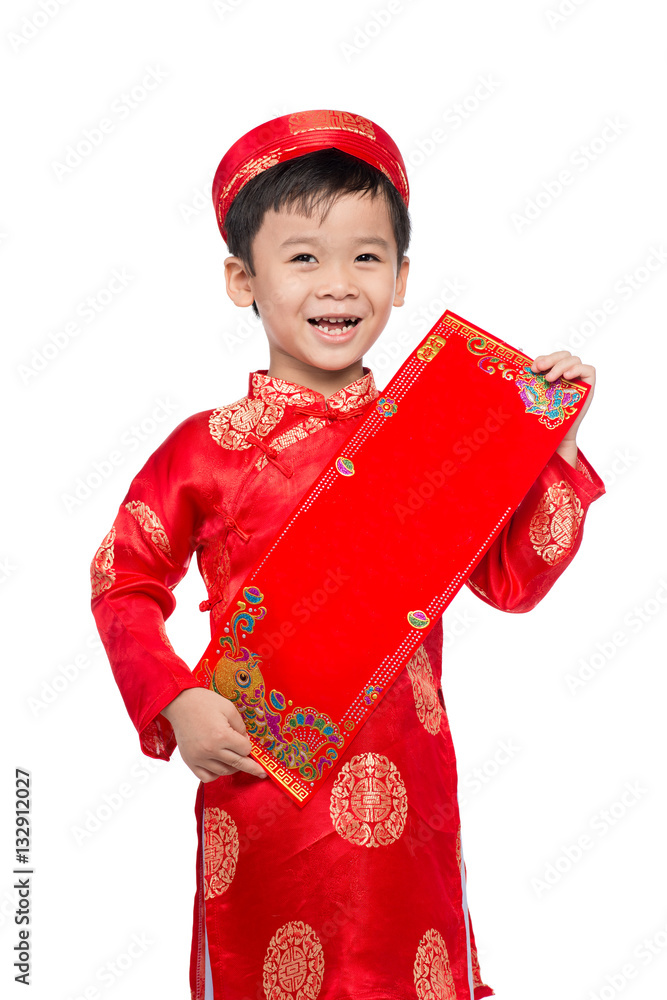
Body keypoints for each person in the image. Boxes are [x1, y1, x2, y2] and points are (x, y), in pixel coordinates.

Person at [90, 109, 606, 1000]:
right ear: (239, 279)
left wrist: (543, 446)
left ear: (402, 278)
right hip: (260, 786)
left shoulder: (443, 436)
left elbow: (514, 584)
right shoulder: (205, 448)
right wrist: (174, 700)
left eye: (366, 257)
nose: (338, 284)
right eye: (302, 257)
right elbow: (122, 580)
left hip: (408, 804)